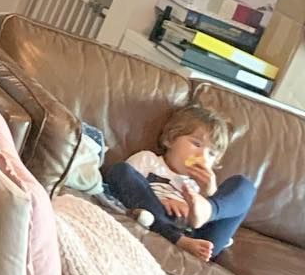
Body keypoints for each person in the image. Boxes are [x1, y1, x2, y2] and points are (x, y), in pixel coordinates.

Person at [103, 103, 256, 262]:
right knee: (120, 170)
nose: (202, 156)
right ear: (171, 139)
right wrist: (160, 202)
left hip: (200, 239)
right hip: (156, 221)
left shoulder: (202, 184)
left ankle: (209, 210)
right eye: (196, 144)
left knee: (244, 185)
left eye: (211, 153)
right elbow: (126, 190)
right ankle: (177, 238)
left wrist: (208, 193)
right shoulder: (147, 160)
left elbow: (206, 222)